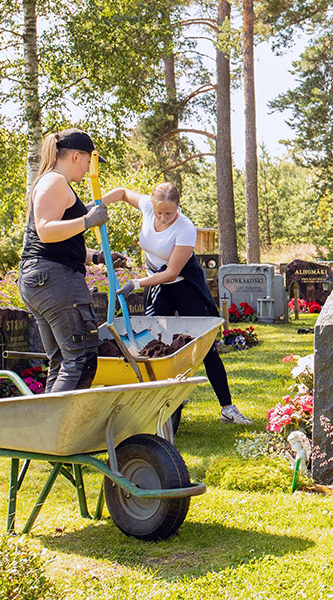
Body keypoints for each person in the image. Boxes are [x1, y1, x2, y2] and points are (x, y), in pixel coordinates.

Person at [104, 181, 252, 426]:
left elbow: (172, 272)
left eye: (169, 213)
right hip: (159, 287)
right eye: (159, 212)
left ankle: (228, 409)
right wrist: (94, 207)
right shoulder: (148, 208)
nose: (163, 218)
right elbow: (120, 193)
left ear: (178, 207)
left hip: (185, 287)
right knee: (155, 346)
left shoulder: (185, 228)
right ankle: (164, 406)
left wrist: (137, 284)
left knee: (205, 347)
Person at [17, 129, 128, 393]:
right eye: (90, 161)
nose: (89, 168)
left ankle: (48, 427)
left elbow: (61, 243)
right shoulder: (55, 182)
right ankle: (61, 428)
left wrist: (97, 257)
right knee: (81, 360)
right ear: (77, 156)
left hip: (44, 279)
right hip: (55, 280)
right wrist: (87, 220)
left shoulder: (53, 183)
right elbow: (46, 230)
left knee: (63, 361)